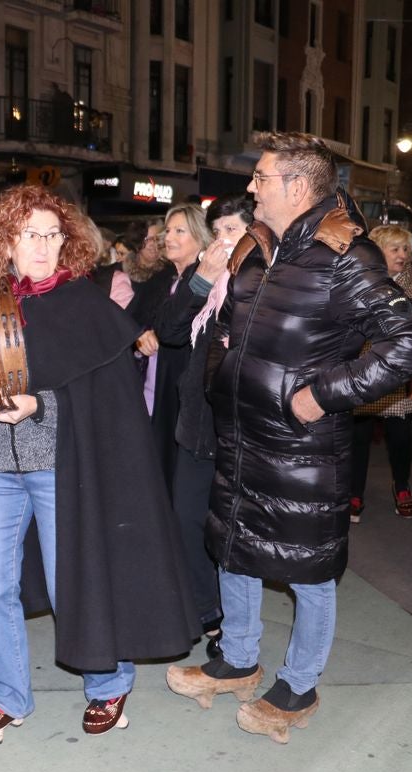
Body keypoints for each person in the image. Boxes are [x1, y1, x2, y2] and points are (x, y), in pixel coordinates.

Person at [165, 132, 412, 743]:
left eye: (261, 177)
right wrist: (222, 375)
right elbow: (231, 327)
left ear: (296, 184)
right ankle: (236, 659)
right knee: (233, 546)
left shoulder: (345, 256)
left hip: (304, 448)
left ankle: (300, 683)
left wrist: (323, 394)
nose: (252, 187)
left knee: (308, 570)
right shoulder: (258, 249)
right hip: (242, 435)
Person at [0, 185, 197, 742]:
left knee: (73, 577)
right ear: (7, 241)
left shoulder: (86, 303)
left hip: (61, 469)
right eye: (31, 235)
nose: (43, 246)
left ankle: (108, 684)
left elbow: (108, 399)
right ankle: (6, 694)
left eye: (53, 234)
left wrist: (40, 403)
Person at [155, 193, 256, 659]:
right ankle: (206, 612)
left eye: (231, 231)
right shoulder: (208, 283)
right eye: (217, 232)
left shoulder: (265, 285)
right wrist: (202, 280)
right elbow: (171, 332)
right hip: (198, 427)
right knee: (186, 520)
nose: (221, 241)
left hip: (245, 432)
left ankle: (235, 630)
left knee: (233, 533)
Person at [349, 225, 412, 523]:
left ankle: (401, 486)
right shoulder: (359, 283)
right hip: (363, 368)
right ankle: (354, 491)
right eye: (395, 249)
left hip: (400, 374)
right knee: (358, 436)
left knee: (400, 436)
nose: (403, 255)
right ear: (377, 250)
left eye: (406, 249)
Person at [138, 203, 214, 485]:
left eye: (179, 231)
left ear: (201, 237)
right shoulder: (164, 279)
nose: (168, 237)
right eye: (168, 230)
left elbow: (175, 330)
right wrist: (139, 336)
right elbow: (132, 320)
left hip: (178, 398)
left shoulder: (205, 282)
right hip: (151, 393)